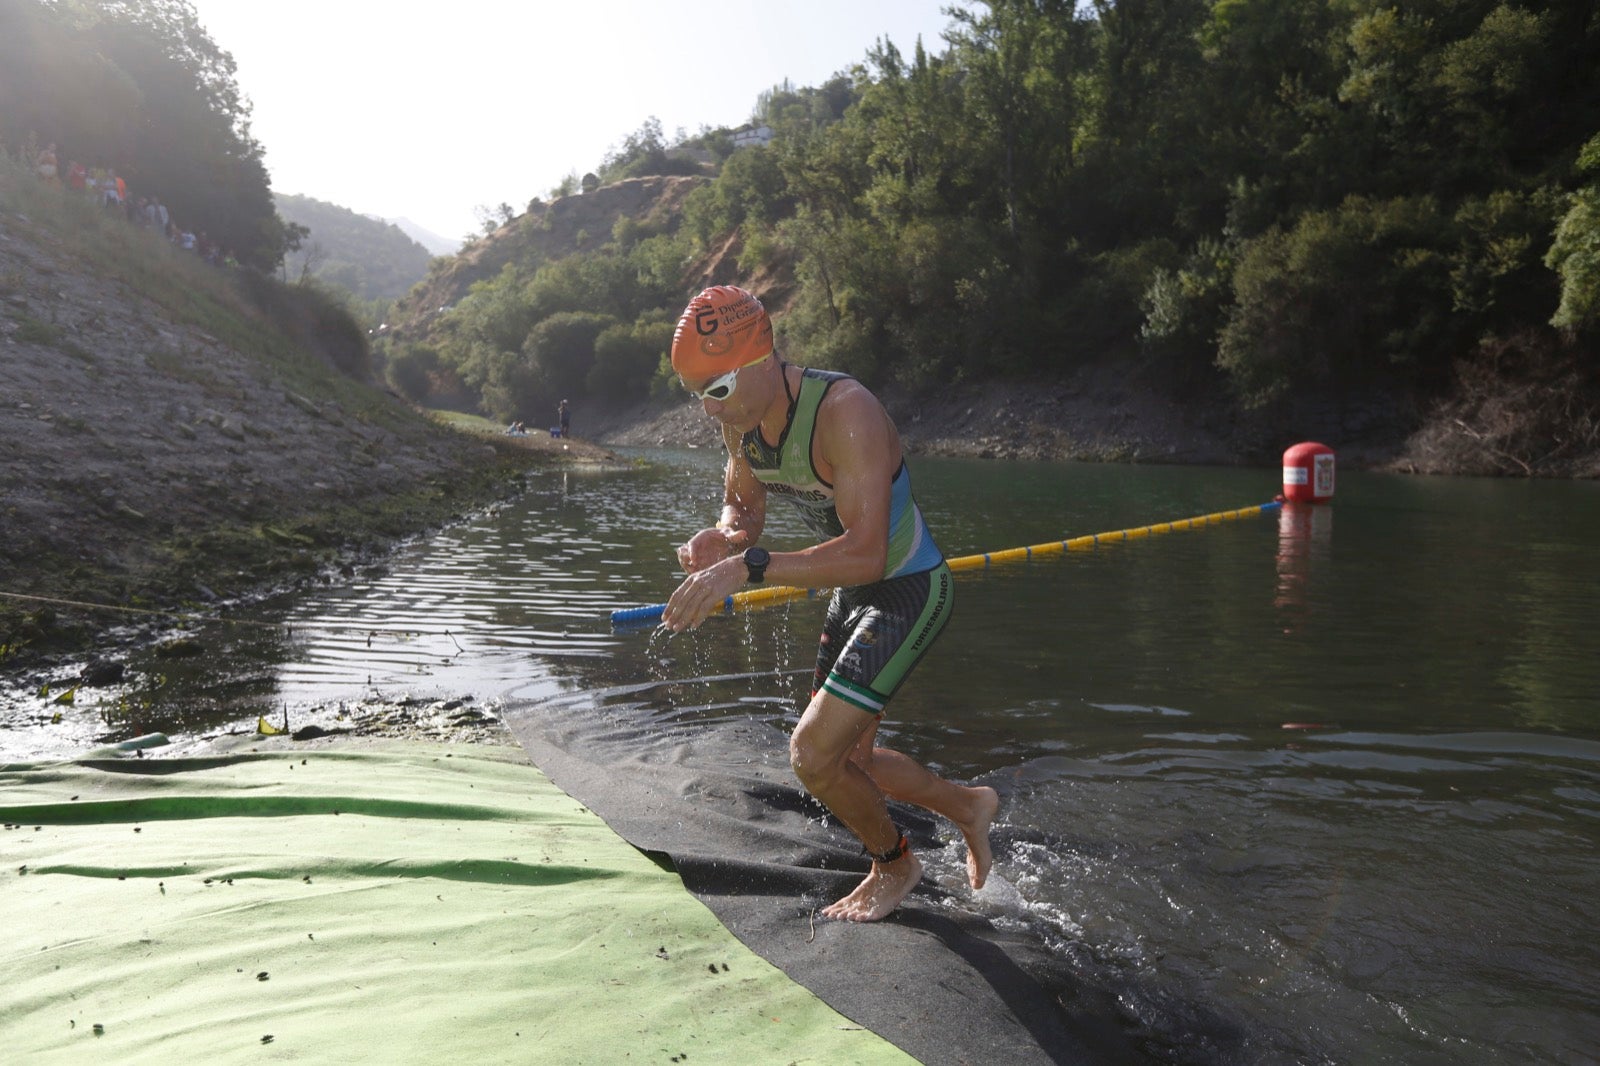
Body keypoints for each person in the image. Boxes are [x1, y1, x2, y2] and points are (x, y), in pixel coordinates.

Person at [662, 285, 999, 922]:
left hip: (907, 588)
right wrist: (727, 537)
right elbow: (745, 505)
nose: (708, 410)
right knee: (850, 760)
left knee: (811, 757)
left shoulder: (846, 412)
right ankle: (968, 806)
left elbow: (869, 553)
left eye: (717, 390)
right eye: (695, 392)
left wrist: (748, 566)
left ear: (762, 360)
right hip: (853, 590)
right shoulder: (741, 423)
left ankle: (895, 864)